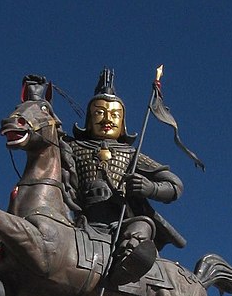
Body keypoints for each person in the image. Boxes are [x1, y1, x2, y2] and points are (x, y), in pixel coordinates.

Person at [64, 68, 185, 284]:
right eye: (99, 113)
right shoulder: (71, 148)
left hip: (120, 223)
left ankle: (125, 271)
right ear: (89, 120)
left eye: (114, 114)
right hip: (79, 219)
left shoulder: (131, 155)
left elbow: (174, 185)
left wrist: (150, 188)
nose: (107, 119)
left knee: (143, 228)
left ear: (122, 123)